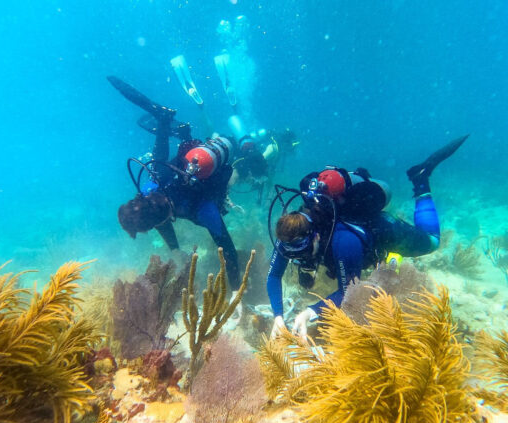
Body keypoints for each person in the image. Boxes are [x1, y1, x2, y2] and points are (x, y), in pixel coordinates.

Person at [266, 135, 469, 340]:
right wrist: (278, 317)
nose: (298, 258)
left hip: (383, 232)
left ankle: (421, 180)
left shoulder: (344, 241)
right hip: (354, 247)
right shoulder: (290, 235)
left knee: (431, 241)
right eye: (292, 254)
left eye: (302, 251)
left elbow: (348, 291)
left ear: (315, 236)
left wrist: (311, 312)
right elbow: (273, 276)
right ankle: (390, 258)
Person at [108, 76, 241, 293]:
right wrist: (175, 250)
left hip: (213, 172)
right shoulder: (148, 193)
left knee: (230, 179)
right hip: (183, 162)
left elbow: (228, 249)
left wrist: (237, 292)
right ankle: (166, 121)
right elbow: (158, 218)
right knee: (160, 167)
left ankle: (171, 124)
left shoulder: (202, 210)